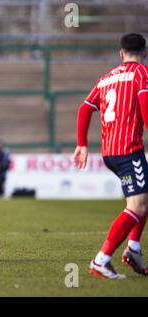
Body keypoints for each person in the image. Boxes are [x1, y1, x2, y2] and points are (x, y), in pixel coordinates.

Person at [74, 33, 148, 279]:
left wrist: (82, 144)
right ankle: (101, 260)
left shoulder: (106, 78)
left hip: (110, 151)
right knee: (137, 205)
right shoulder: (141, 74)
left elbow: (86, 107)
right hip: (129, 150)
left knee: (144, 196)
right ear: (144, 53)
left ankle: (133, 248)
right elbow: (145, 102)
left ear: (121, 53)